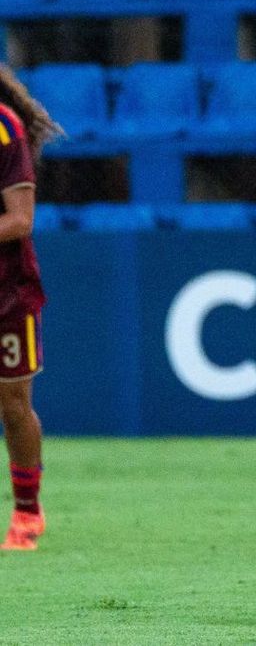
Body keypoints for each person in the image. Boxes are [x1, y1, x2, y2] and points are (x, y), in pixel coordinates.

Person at [0, 65, 61, 551]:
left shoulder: (4, 128)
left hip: (7, 292)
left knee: (13, 404)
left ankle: (26, 511)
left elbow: (20, 220)